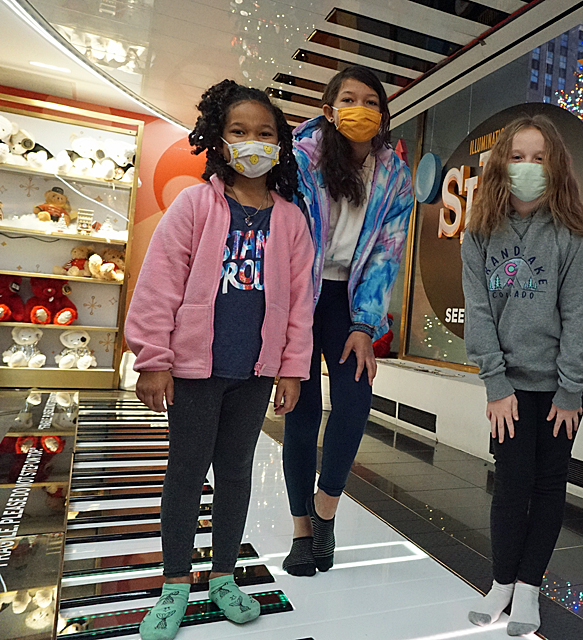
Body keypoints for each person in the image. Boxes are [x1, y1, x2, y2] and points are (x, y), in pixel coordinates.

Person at [125, 79, 314, 640]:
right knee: (186, 472)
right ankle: (174, 584)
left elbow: (300, 303)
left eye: (265, 133)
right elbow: (160, 282)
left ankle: (224, 576)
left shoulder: (291, 221)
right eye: (239, 131)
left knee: (235, 474)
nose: (253, 141)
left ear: (279, 144)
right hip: (194, 372)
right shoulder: (195, 205)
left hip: (253, 374)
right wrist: (153, 358)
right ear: (220, 138)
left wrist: (292, 367)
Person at [461, 115, 583, 636]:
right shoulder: (479, 233)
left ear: (555, 166)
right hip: (510, 386)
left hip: (563, 387)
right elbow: (478, 312)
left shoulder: (571, 234)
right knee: (510, 484)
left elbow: (582, 317)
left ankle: (528, 589)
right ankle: (502, 582)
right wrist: (495, 384)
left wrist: (570, 390)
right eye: (517, 157)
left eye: (539, 158)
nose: (527, 167)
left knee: (547, 485)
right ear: (501, 165)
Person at [281, 65, 413, 576]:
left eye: (371, 102)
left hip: (349, 299)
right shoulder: (300, 159)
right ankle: (301, 532)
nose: (361, 109)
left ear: (383, 114)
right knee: (302, 410)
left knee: (355, 401)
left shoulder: (394, 175)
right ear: (329, 110)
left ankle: (325, 511)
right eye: (349, 100)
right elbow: (284, 238)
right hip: (299, 295)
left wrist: (364, 323)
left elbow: (387, 252)